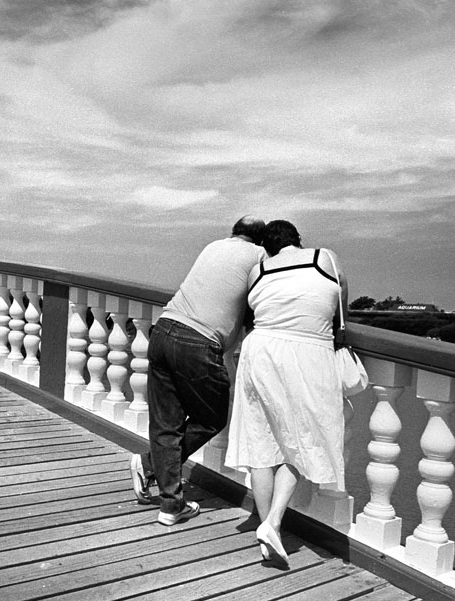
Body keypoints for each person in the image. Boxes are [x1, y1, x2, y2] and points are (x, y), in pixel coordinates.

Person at [223, 220, 347, 567]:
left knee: (260, 442)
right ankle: (273, 522)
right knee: (304, 437)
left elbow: (250, 315)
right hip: (307, 350)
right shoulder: (325, 258)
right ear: (298, 240)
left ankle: (267, 529)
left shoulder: (258, 269)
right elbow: (341, 311)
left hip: (259, 349)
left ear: (267, 247)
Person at [129, 216, 267, 526]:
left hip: (164, 330)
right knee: (212, 417)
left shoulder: (213, 246)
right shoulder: (258, 256)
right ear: (260, 241)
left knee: (166, 423)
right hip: (199, 342)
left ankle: (170, 503)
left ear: (234, 232)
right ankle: (152, 467)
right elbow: (259, 300)